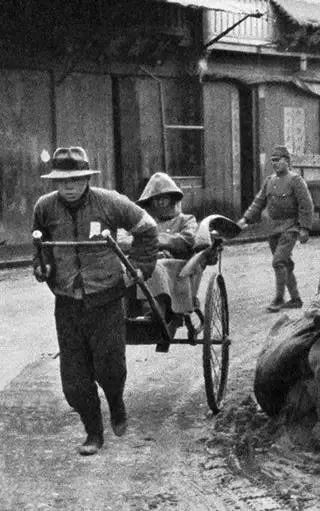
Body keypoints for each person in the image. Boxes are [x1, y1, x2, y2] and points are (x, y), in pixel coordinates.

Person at [32, 146, 158, 456]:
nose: (69, 186)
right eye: (62, 181)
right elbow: (40, 245)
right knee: (74, 382)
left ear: (87, 178)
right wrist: (42, 266)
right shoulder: (45, 208)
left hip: (107, 300)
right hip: (67, 303)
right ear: (55, 182)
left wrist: (141, 267)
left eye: (75, 179)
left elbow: (147, 228)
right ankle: (93, 433)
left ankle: (116, 403)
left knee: (110, 369)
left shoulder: (109, 202)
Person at [119, 172, 215, 318]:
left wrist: (155, 241)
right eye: (156, 199)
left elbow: (187, 239)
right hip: (144, 262)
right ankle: (125, 313)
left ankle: (155, 310)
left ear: (173, 200)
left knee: (156, 267)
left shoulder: (186, 220)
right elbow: (121, 238)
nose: (160, 203)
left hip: (177, 269)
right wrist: (146, 245)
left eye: (164, 198)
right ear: (149, 202)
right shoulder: (142, 222)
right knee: (122, 268)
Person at [237, 145, 314, 312]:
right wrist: (245, 219)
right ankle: (296, 299)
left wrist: (304, 228)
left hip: (290, 227)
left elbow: (306, 205)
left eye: (278, 160)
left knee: (278, 261)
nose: (274, 164)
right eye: (272, 161)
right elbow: (258, 202)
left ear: (287, 161)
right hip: (273, 229)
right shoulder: (269, 181)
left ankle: (279, 299)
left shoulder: (295, 180)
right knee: (285, 263)